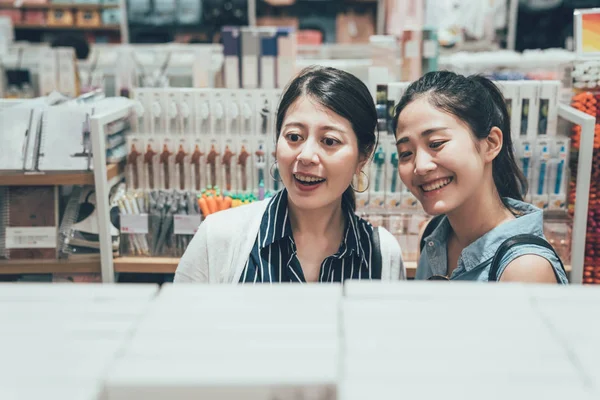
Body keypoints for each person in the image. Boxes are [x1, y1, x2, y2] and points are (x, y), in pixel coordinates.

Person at [175, 66, 404, 283]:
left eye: (329, 141)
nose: (306, 156)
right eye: (294, 137)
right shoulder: (218, 237)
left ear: (363, 156)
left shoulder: (382, 254)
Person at [393, 71, 567, 283]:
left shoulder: (524, 268)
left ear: (491, 143)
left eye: (436, 143)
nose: (420, 167)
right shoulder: (433, 238)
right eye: (406, 153)